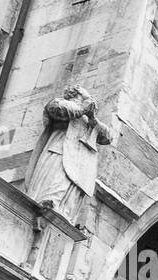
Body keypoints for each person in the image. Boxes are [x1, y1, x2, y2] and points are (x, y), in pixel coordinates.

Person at [24, 87, 113, 224]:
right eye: (85, 98)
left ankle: (64, 215)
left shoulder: (88, 120)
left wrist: (92, 117)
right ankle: (45, 211)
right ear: (76, 96)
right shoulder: (59, 103)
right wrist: (83, 109)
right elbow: (60, 110)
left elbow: (107, 137)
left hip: (79, 165)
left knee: (68, 199)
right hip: (59, 153)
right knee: (53, 189)